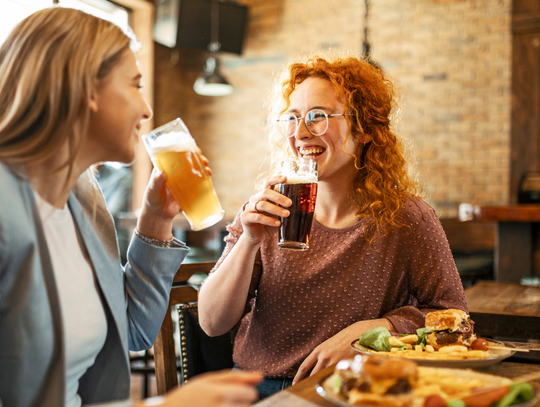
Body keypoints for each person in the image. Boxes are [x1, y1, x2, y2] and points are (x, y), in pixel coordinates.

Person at [0, 7, 261, 407]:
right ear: (86, 88)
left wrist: (156, 220)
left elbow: (133, 331)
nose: (146, 110)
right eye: (135, 85)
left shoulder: (82, 197)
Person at [197, 51, 468, 399]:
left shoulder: (408, 217)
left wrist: (371, 333)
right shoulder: (267, 206)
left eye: (318, 117)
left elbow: (454, 317)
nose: (301, 132)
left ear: (366, 129)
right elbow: (211, 322)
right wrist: (249, 242)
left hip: (352, 392)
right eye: (293, 118)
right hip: (256, 389)